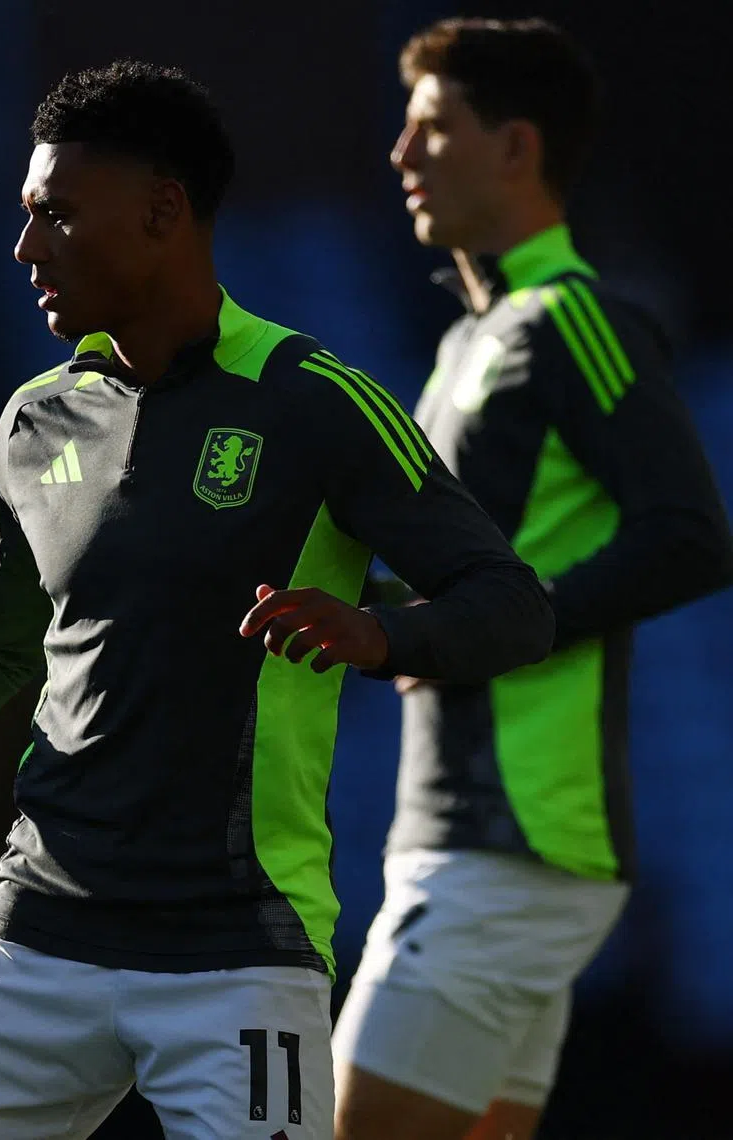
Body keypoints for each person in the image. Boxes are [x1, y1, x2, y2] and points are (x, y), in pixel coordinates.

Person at [0, 60, 553, 1140]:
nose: (24, 250)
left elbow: (512, 606)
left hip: (238, 952)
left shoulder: (315, 404)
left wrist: (377, 633)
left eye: (55, 216)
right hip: (38, 935)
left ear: (163, 214)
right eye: (23, 217)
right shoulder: (34, 421)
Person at [331, 18, 733, 1140]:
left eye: (432, 132)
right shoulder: (466, 346)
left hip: (507, 853)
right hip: (467, 841)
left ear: (513, 149)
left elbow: (690, 537)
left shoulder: (574, 318)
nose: (404, 158)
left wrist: (495, 626)